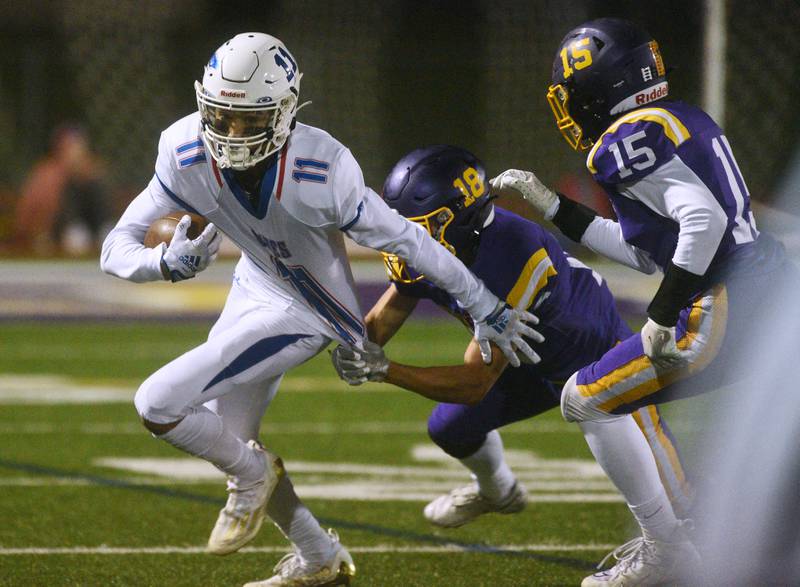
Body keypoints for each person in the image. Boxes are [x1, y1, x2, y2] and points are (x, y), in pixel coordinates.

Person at [100, 33, 537, 587]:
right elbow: (116, 249)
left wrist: (484, 304)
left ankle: (254, 476)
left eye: (248, 120)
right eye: (221, 115)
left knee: (158, 404)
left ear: (283, 112)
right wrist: (164, 264)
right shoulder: (184, 148)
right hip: (253, 285)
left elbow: (411, 242)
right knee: (236, 443)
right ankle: (318, 558)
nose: (231, 134)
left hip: (308, 310)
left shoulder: (321, 169)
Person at [490, 17, 798, 586]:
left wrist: (661, 314)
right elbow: (645, 252)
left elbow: (701, 221)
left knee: (586, 399)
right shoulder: (676, 118)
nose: (569, 109)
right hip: (764, 290)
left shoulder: (623, 140)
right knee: (642, 406)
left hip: (722, 302)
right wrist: (552, 205)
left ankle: (669, 549)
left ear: (599, 89)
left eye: (574, 95)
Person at [330, 144, 692, 530]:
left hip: (594, 356)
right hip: (525, 358)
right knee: (451, 429)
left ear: (461, 217)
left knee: (678, 500)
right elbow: (394, 306)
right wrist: (352, 340)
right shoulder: (444, 244)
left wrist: (385, 369)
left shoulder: (515, 254)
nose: (408, 239)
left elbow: (473, 383)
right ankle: (497, 490)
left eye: (422, 226)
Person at [14, 124, 110, 255]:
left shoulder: (93, 173)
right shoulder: (46, 174)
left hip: (91, 231)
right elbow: (25, 216)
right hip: (55, 234)